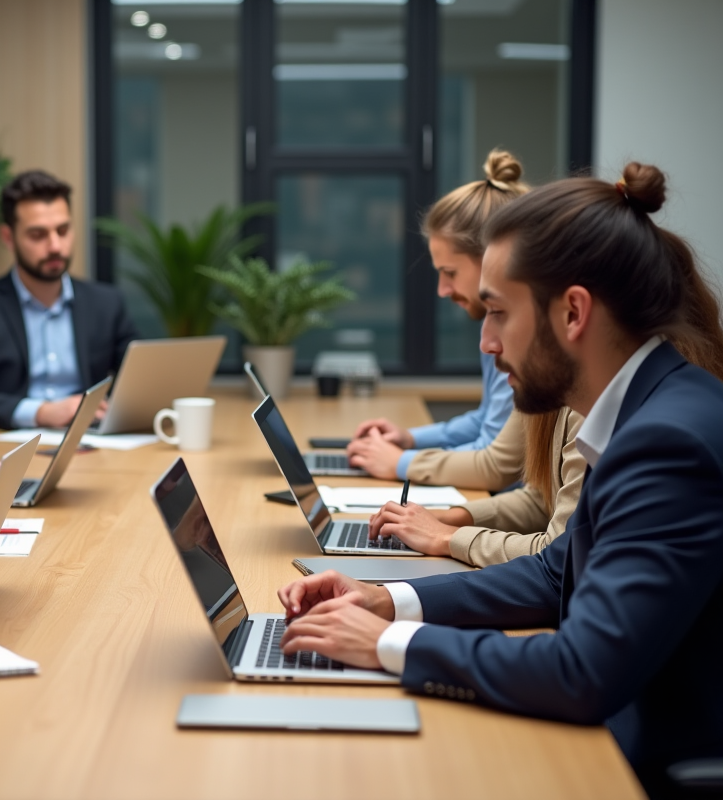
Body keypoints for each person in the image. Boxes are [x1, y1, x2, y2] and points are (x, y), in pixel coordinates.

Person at [275, 163, 723, 797]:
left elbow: (581, 673)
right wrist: (390, 598)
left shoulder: (665, 443)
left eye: (498, 314)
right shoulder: (647, 410)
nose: (486, 344)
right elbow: (555, 571)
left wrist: (390, 643)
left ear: (573, 313)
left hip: (641, 760)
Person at [347, 150, 523, 480]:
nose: (442, 289)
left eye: (450, 272)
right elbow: (489, 418)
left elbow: (494, 456)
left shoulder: (521, 337)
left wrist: (401, 463)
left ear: (491, 260)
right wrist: (411, 439)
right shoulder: (495, 326)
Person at [0, 170, 138, 438]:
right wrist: (40, 412)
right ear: (8, 238)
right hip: (5, 447)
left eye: (63, 231)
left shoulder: (106, 303)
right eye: (38, 235)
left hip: (88, 442)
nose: (55, 246)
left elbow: (140, 378)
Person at [371, 407, 585, 566]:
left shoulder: (583, 410)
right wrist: (451, 518)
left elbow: (556, 556)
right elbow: (543, 501)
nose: (486, 347)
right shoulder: (548, 392)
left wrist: (446, 537)